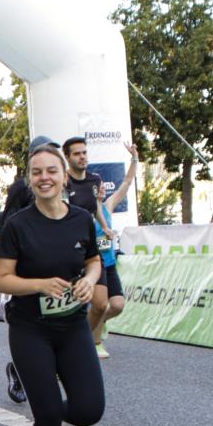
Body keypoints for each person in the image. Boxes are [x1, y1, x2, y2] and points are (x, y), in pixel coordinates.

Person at [0, 144, 105, 426]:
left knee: (89, 410)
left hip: (72, 325)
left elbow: (94, 261)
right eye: (37, 172)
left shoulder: (82, 220)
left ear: (63, 175)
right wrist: (39, 284)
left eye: (51, 171)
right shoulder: (18, 225)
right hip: (30, 329)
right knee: (48, 410)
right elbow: (0, 280)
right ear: (30, 179)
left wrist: (89, 279)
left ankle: (52, 414)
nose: (44, 178)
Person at [0, 135, 60, 404]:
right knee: (33, 321)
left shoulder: (62, 185)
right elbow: (5, 222)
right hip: (27, 263)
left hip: (57, 261)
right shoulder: (21, 187)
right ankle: (20, 371)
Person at [89, 142, 138, 359]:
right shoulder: (86, 211)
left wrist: (134, 158)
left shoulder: (108, 206)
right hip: (93, 266)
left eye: (104, 186)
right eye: (99, 186)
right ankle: (96, 342)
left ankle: (100, 322)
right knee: (99, 305)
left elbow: (127, 182)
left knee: (117, 305)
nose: (103, 188)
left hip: (109, 263)